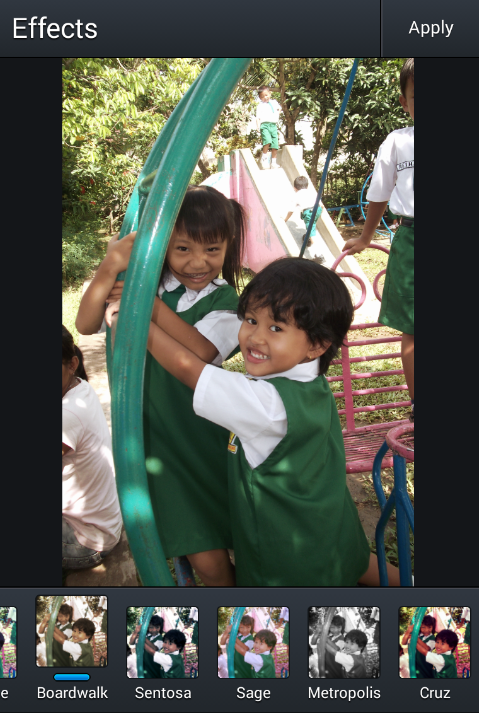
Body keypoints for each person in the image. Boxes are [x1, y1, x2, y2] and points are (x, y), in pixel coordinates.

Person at [146, 255, 399, 586]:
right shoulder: (308, 378)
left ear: (316, 345)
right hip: (330, 524)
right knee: (357, 562)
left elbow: (188, 368)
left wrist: (141, 325)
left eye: (276, 328)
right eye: (251, 320)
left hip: (285, 557)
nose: (256, 337)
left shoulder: (264, 403)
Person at [77, 186, 246, 586]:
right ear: (164, 245)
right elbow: (85, 324)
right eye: (183, 248)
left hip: (197, 435)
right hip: (151, 438)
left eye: (212, 249)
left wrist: (146, 307)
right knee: (196, 539)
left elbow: (201, 351)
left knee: (213, 539)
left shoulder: (226, 301)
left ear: (228, 246)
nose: (197, 262)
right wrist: (110, 265)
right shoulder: (147, 282)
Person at [344, 58, 414, 420]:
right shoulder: (398, 142)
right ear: (404, 102)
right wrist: (365, 237)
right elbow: (380, 192)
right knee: (413, 329)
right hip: (413, 239)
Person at [62, 326, 122, 569]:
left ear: (72, 364)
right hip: (101, 524)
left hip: (85, 539)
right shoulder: (79, 386)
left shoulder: (68, 415)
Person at [283, 176, 324, 262]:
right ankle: (307, 238)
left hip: (309, 212)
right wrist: (319, 214)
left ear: (294, 188)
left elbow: (291, 210)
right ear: (307, 186)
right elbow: (322, 205)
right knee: (311, 227)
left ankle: (319, 255)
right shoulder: (312, 193)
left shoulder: (296, 195)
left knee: (312, 232)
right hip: (318, 209)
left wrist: (285, 219)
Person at [130, 614, 165, 678]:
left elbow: (154, 648)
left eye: (157, 627)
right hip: (143, 666)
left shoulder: (160, 638)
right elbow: (131, 643)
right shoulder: (146, 635)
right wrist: (136, 631)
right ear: (147, 627)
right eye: (151, 627)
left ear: (161, 627)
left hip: (153, 667)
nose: (154, 630)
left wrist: (143, 638)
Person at [256, 86, 281, 169]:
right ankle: (264, 157)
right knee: (267, 141)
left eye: (266, 95)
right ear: (260, 98)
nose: (265, 97)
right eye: (262, 97)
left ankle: (273, 163)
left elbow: (279, 109)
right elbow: (258, 118)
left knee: (275, 145)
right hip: (265, 125)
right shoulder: (260, 106)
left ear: (270, 93)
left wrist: (278, 112)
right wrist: (258, 126)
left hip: (273, 125)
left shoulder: (274, 102)